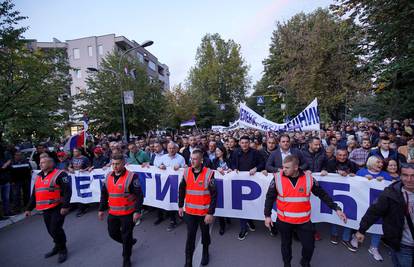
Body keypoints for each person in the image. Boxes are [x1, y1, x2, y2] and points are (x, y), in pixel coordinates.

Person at [264, 155, 347, 267]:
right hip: (284, 220)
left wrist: (336, 208)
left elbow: (322, 194)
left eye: (287, 167)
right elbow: (269, 197)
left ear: (296, 167)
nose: (283, 170)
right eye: (283, 167)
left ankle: (305, 262)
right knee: (286, 244)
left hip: (303, 221)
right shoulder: (277, 178)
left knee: (309, 246)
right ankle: (287, 264)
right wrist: (267, 215)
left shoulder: (309, 178)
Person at [354, 163, 414, 267]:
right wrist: (361, 230)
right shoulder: (390, 193)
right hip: (401, 243)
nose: (409, 179)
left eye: (413, 176)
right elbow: (374, 211)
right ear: (400, 175)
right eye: (405, 175)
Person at [98, 154, 144, 267]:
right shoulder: (108, 176)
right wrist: (101, 209)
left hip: (128, 213)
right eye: (113, 164)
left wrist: (137, 211)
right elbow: (104, 194)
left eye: (117, 164)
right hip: (113, 213)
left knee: (126, 235)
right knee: (113, 233)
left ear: (123, 163)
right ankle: (129, 242)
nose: (115, 166)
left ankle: (126, 258)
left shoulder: (132, 177)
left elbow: (139, 195)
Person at [25, 157, 72, 263]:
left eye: (43, 162)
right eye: (40, 163)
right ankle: (57, 245)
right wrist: (28, 209)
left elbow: (67, 191)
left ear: (51, 163)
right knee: (50, 230)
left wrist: (65, 206)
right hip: (45, 209)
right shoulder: (38, 177)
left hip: (58, 207)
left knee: (55, 228)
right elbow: (34, 195)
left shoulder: (60, 174)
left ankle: (63, 249)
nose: (40, 164)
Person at [178, 150, 217, 267]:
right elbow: (181, 189)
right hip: (190, 212)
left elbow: (214, 194)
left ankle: (205, 252)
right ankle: (188, 261)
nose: (192, 161)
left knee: (205, 234)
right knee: (190, 236)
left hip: (204, 212)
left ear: (201, 160)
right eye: (191, 158)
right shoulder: (186, 172)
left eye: (195, 159)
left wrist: (210, 213)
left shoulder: (209, 173)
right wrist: (180, 206)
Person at [353, 155, 392, 260]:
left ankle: (374, 247)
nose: (381, 164)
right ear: (371, 163)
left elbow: (391, 189)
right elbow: (354, 187)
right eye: (378, 162)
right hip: (363, 203)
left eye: (381, 162)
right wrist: (363, 180)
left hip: (379, 206)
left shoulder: (386, 175)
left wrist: (384, 181)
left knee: (378, 224)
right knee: (360, 219)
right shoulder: (361, 172)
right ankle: (356, 238)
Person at [231, 135, 265, 240]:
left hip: (252, 182)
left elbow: (262, 163)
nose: (244, 144)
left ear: (249, 143)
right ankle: (243, 228)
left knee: (250, 204)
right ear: (240, 143)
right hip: (240, 182)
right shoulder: (236, 152)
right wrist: (234, 168)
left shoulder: (255, 152)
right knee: (242, 205)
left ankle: (249, 220)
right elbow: (232, 163)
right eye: (242, 143)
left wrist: (256, 168)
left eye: (246, 142)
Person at [154, 142, 186, 231]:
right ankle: (173, 221)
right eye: (169, 148)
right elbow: (155, 164)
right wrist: (160, 166)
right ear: (167, 149)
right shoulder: (162, 157)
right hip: (165, 185)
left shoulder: (181, 158)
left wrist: (180, 166)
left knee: (179, 200)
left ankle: (181, 215)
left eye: (173, 148)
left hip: (178, 185)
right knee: (169, 202)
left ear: (176, 149)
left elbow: (185, 168)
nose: (171, 150)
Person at [212, 146, 232, 235]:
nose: (216, 152)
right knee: (220, 205)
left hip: (228, 186)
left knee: (228, 203)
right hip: (218, 186)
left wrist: (231, 169)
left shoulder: (229, 160)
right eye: (216, 151)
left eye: (218, 150)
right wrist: (216, 169)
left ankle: (228, 217)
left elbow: (234, 169)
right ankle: (222, 226)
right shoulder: (214, 161)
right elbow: (210, 171)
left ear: (222, 152)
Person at [68, 147, 90, 217]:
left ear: (80, 152)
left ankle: (83, 208)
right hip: (75, 177)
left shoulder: (85, 158)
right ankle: (78, 206)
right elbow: (69, 166)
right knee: (76, 192)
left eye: (76, 151)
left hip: (82, 177)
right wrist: (70, 169)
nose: (74, 153)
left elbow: (89, 167)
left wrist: (84, 170)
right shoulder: (73, 158)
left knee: (81, 192)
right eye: (74, 151)